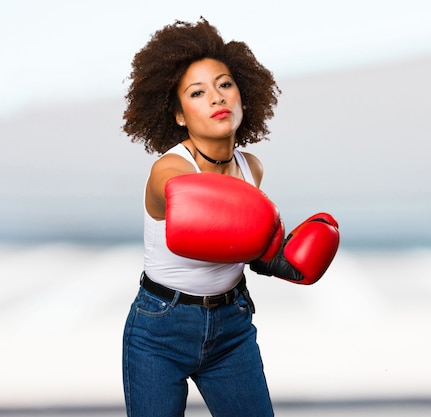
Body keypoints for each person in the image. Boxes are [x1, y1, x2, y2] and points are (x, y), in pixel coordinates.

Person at [121, 18, 339, 417]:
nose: (217, 98)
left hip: (231, 326)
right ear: (180, 116)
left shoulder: (251, 167)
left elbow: (241, 239)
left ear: (243, 94)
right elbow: (201, 213)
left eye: (224, 84)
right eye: (197, 92)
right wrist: (264, 239)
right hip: (161, 328)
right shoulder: (170, 171)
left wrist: (276, 257)